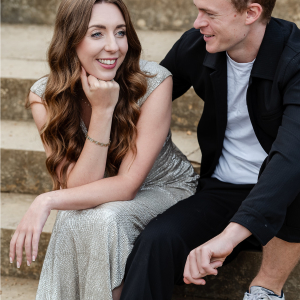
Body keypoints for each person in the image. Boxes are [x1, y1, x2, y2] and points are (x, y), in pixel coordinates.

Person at [9, 0, 199, 299]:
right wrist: (102, 113)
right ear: (71, 40)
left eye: (120, 32)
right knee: (77, 217)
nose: (113, 46)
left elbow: (127, 186)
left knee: (103, 218)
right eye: (97, 34)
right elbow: (81, 187)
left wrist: (46, 200)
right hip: (101, 196)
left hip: (165, 188)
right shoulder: (45, 97)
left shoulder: (153, 82)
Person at [119, 0, 300, 299]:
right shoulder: (199, 44)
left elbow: (291, 159)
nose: (197, 22)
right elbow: (143, 100)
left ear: (251, 13)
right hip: (222, 187)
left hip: (286, 191)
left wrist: (229, 237)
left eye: (210, 14)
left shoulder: (294, 59)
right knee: (158, 240)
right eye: (198, 9)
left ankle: (266, 289)